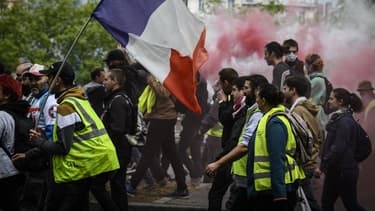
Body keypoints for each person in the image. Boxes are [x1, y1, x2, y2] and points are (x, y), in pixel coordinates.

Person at [28, 61, 120, 211]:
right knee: (89, 200)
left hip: (91, 162)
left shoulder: (66, 106)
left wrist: (38, 141)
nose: (47, 81)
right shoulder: (78, 98)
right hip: (100, 159)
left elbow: (63, 147)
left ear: (58, 81)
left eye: (49, 77)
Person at [206, 74, 268, 211]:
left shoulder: (256, 113)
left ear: (257, 90)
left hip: (243, 167)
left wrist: (220, 162)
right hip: (239, 167)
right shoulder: (247, 109)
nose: (243, 92)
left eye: (245, 88)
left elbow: (242, 144)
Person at [127, 74, 189, 198]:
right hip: (162, 118)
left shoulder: (164, 77)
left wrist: (150, 79)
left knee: (148, 153)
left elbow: (164, 93)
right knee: (172, 153)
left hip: (163, 120)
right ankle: (182, 187)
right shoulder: (160, 76)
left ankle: (132, 185)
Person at [247, 83, 305, 211]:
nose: (255, 100)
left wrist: (280, 196)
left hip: (275, 191)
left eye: (257, 97)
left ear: (263, 100)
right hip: (268, 189)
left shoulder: (275, 122)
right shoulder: (268, 118)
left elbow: (277, 158)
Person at [318, 88, 366, 211]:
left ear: (340, 101)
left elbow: (338, 148)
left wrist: (323, 166)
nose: (328, 101)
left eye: (331, 98)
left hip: (341, 172)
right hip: (342, 170)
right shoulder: (344, 119)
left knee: (348, 205)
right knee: (334, 203)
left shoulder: (344, 122)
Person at [283, 76, 324, 211]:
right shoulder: (308, 109)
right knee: (305, 201)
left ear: (293, 90)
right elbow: (318, 136)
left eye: (285, 88)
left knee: (307, 203)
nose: (283, 92)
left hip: (304, 164)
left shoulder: (298, 111)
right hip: (309, 162)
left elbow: (298, 140)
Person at [101, 68, 134, 211]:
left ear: (115, 82)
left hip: (118, 150)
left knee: (113, 185)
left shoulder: (118, 100)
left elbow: (118, 129)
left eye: (107, 79)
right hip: (118, 149)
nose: (103, 82)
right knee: (116, 185)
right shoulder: (117, 98)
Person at [208, 67, 238, 211]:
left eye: (220, 83)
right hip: (230, 149)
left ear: (226, 82)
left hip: (231, 151)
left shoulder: (233, 98)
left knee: (216, 193)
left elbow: (225, 118)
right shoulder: (231, 96)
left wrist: (221, 102)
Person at [0, 74, 28, 211]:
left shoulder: (1, 115)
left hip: (3, 174)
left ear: (6, 94)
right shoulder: (17, 112)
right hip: (15, 171)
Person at [306, 53, 329, 128]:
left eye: (306, 64)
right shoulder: (319, 79)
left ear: (310, 66)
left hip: (316, 114)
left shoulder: (316, 81)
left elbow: (307, 95)